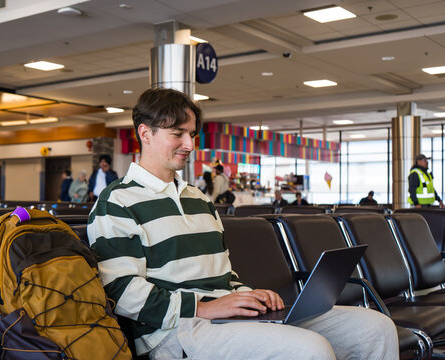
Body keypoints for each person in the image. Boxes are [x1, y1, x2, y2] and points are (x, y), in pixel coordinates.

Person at [87, 88, 398, 360]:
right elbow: (120, 290)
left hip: (225, 318)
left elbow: (222, 275)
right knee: (309, 349)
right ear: (145, 133)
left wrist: (249, 294)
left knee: (374, 328)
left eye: (192, 134)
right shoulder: (116, 202)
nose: (190, 144)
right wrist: (203, 307)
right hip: (173, 333)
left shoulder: (199, 199)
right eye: (178, 134)